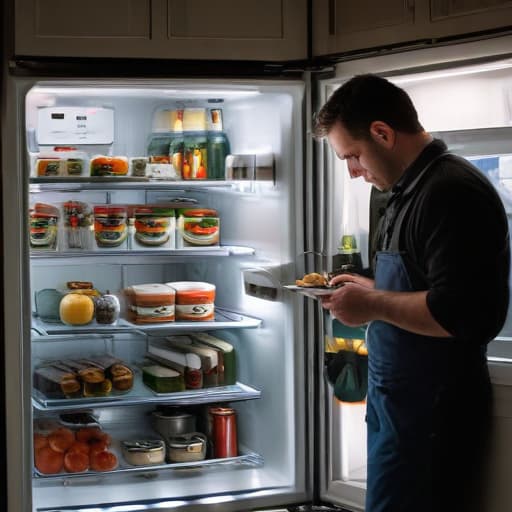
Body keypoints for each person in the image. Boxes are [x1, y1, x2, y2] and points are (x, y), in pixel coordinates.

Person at [314, 74, 510, 512]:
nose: (354, 170)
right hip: (398, 403)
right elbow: (422, 284)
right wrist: (370, 288)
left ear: (383, 133)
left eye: (354, 155)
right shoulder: (406, 190)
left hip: (435, 412)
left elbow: (461, 314)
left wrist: (371, 303)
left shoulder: (450, 191)